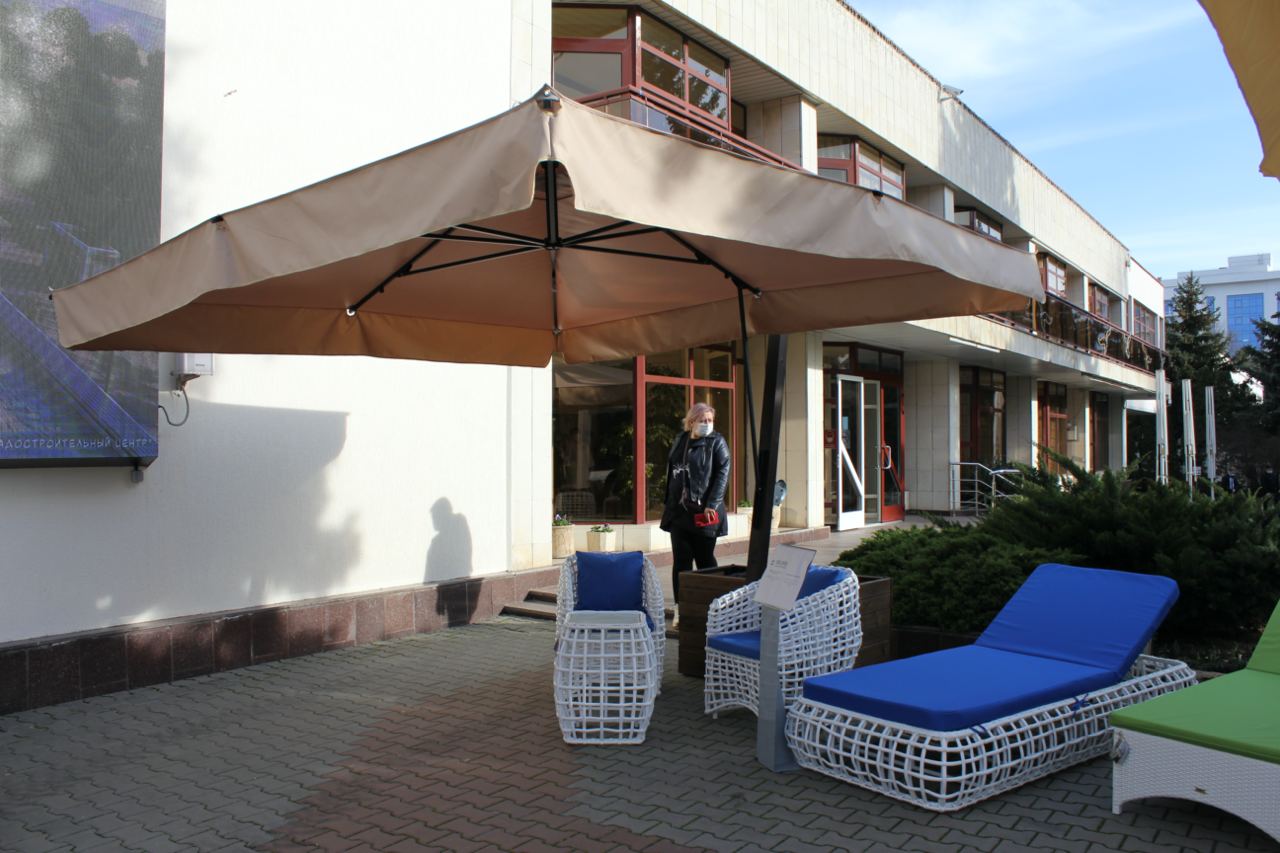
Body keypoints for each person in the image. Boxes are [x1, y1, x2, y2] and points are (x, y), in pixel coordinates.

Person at [660, 402, 730, 625]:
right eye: (703, 420)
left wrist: (712, 503)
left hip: (704, 513)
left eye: (710, 420)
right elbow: (673, 471)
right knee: (681, 562)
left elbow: (722, 473)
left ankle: (711, 609)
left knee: (705, 561)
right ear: (691, 422)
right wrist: (669, 502)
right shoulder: (680, 440)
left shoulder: (716, 442)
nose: (707, 424)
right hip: (680, 512)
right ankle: (681, 609)